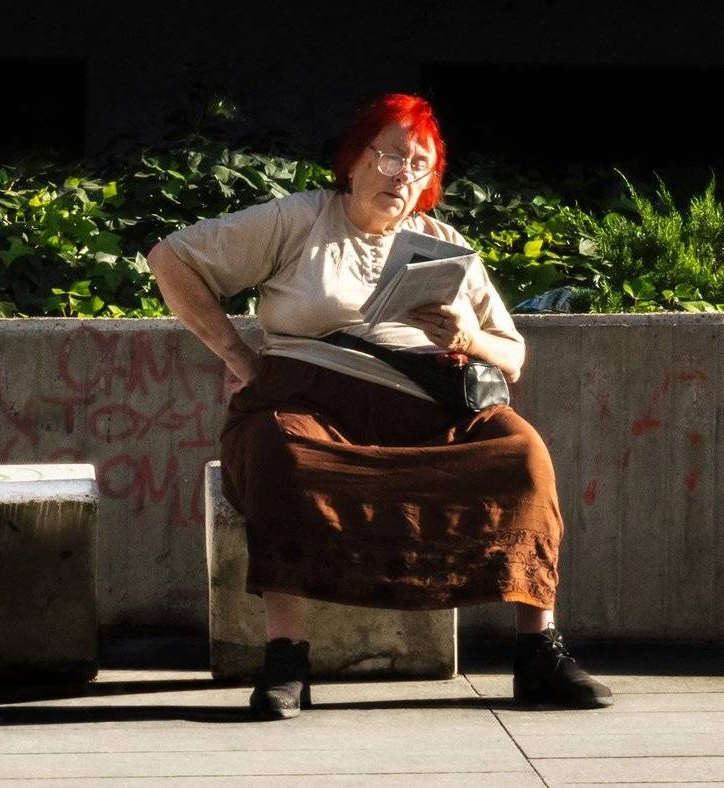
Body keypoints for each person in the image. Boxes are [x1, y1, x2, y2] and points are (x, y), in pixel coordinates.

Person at [146, 92, 611, 719]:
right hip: (308, 399)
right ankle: (286, 656)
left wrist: (466, 338)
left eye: (419, 165)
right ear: (355, 159)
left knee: (523, 454)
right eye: (390, 157)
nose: (402, 175)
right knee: (279, 453)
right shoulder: (300, 219)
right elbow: (172, 257)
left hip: (426, 407)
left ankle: (538, 652)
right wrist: (240, 358)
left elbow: (512, 355)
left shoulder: (444, 242)